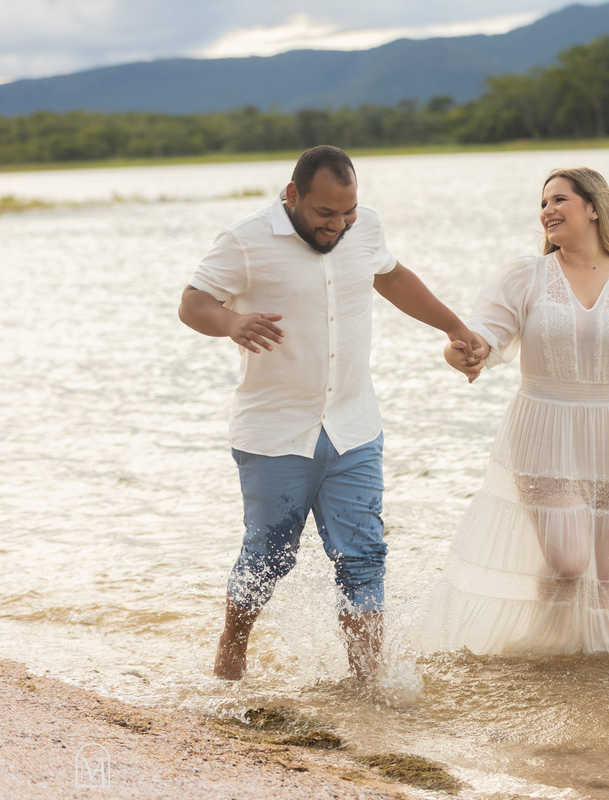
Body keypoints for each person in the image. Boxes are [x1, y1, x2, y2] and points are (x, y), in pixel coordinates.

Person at [179, 145, 483, 680]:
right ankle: (232, 649)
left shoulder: (365, 229)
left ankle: (369, 684)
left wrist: (454, 326)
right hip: (274, 433)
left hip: (353, 428)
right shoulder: (246, 239)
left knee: (363, 557)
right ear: (293, 195)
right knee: (269, 555)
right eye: (325, 213)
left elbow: (392, 278)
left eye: (348, 212)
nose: (338, 225)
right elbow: (193, 302)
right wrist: (231, 322)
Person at [418, 167, 609, 656]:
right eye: (543, 203)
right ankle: (549, 643)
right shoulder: (526, 275)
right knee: (570, 560)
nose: (547, 211)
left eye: (559, 200)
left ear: (594, 207)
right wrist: (461, 354)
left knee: (607, 571)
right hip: (543, 429)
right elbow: (477, 337)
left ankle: (594, 664)